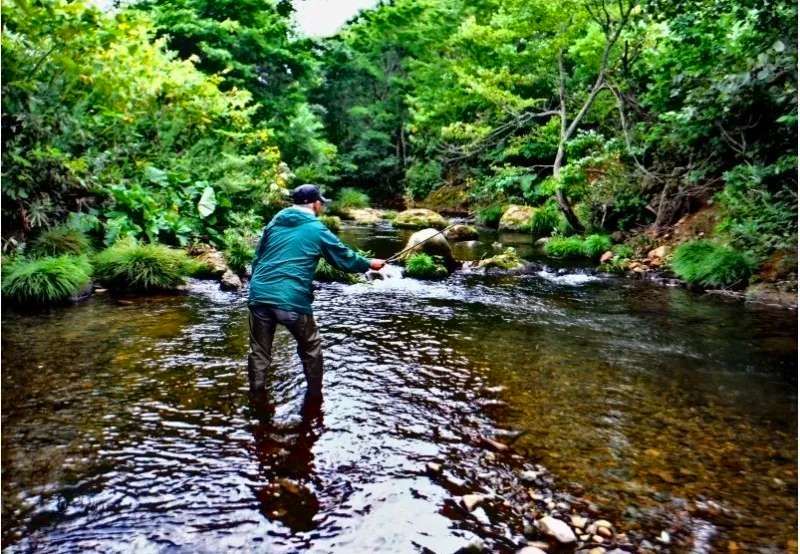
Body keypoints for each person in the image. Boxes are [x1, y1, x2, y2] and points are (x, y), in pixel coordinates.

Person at [247, 184, 385, 401]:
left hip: (258, 294)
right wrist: (369, 263)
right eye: (321, 202)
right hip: (291, 299)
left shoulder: (273, 223)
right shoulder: (316, 228)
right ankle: (314, 397)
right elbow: (343, 258)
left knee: (259, 351)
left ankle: (256, 397)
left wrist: (257, 287)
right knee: (311, 347)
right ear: (314, 203)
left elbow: (257, 258)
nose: (322, 205)